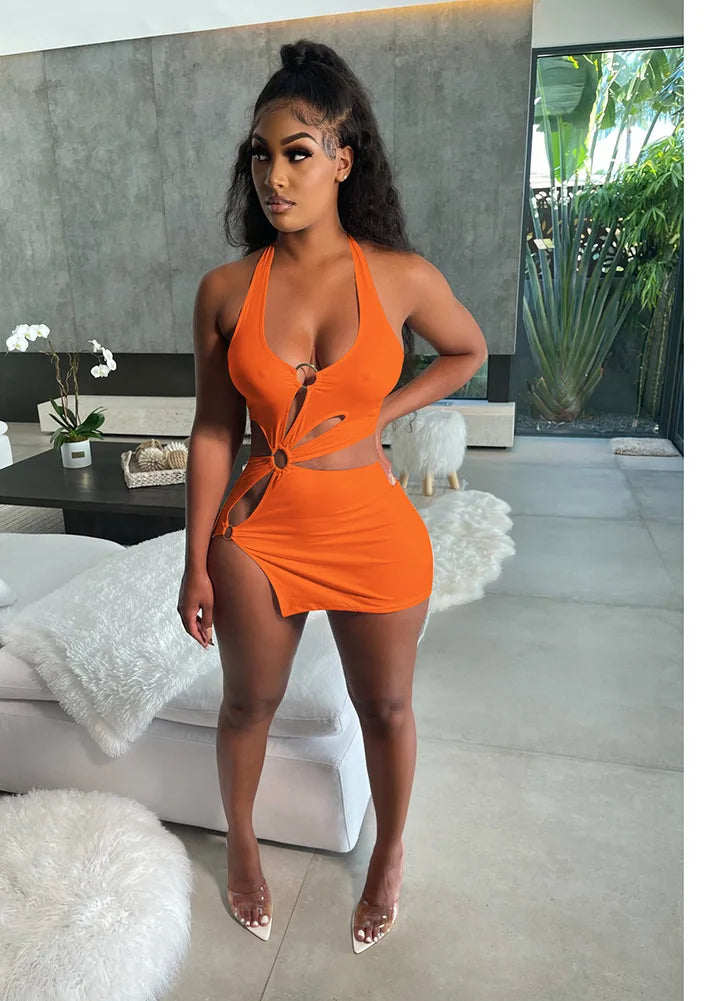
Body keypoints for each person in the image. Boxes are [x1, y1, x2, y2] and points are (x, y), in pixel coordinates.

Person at [178, 39, 487, 953]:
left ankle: (387, 854)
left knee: (385, 708)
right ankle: (241, 846)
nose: (274, 177)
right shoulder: (225, 290)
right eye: (260, 155)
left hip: (370, 527)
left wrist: (384, 408)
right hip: (257, 532)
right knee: (247, 704)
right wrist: (195, 561)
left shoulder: (400, 275)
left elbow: (465, 350)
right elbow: (212, 431)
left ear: (343, 160)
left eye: (298, 153)